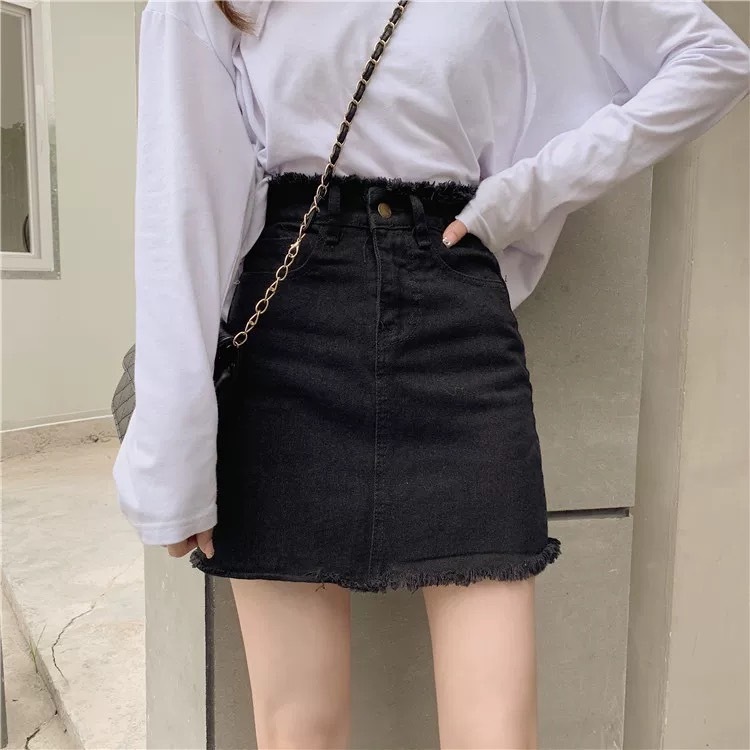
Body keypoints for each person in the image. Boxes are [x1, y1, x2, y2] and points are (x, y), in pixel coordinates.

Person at [113, 1, 748, 747]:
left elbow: (712, 59)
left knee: (497, 733)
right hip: (288, 324)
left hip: (456, 322)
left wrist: (521, 195)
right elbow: (181, 203)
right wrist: (175, 451)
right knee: (298, 730)